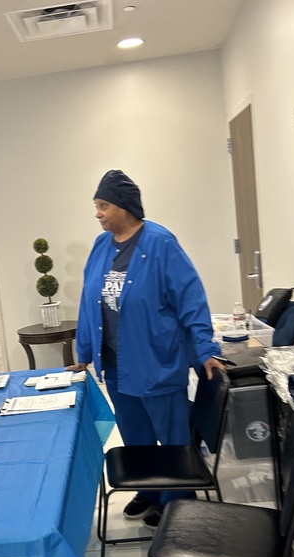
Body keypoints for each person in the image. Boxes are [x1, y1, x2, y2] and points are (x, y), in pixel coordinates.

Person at [68, 170, 225, 529]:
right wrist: (84, 353)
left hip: (155, 360)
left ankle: (177, 502)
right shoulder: (101, 246)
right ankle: (150, 491)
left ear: (124, 206)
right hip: (116, 364)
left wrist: (205, 348)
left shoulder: (160, 243)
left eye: (103, 205)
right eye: (96, 206)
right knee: (135, 434)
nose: (98, 213)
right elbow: (89, 303)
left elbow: (191, 299)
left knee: (171, 439)